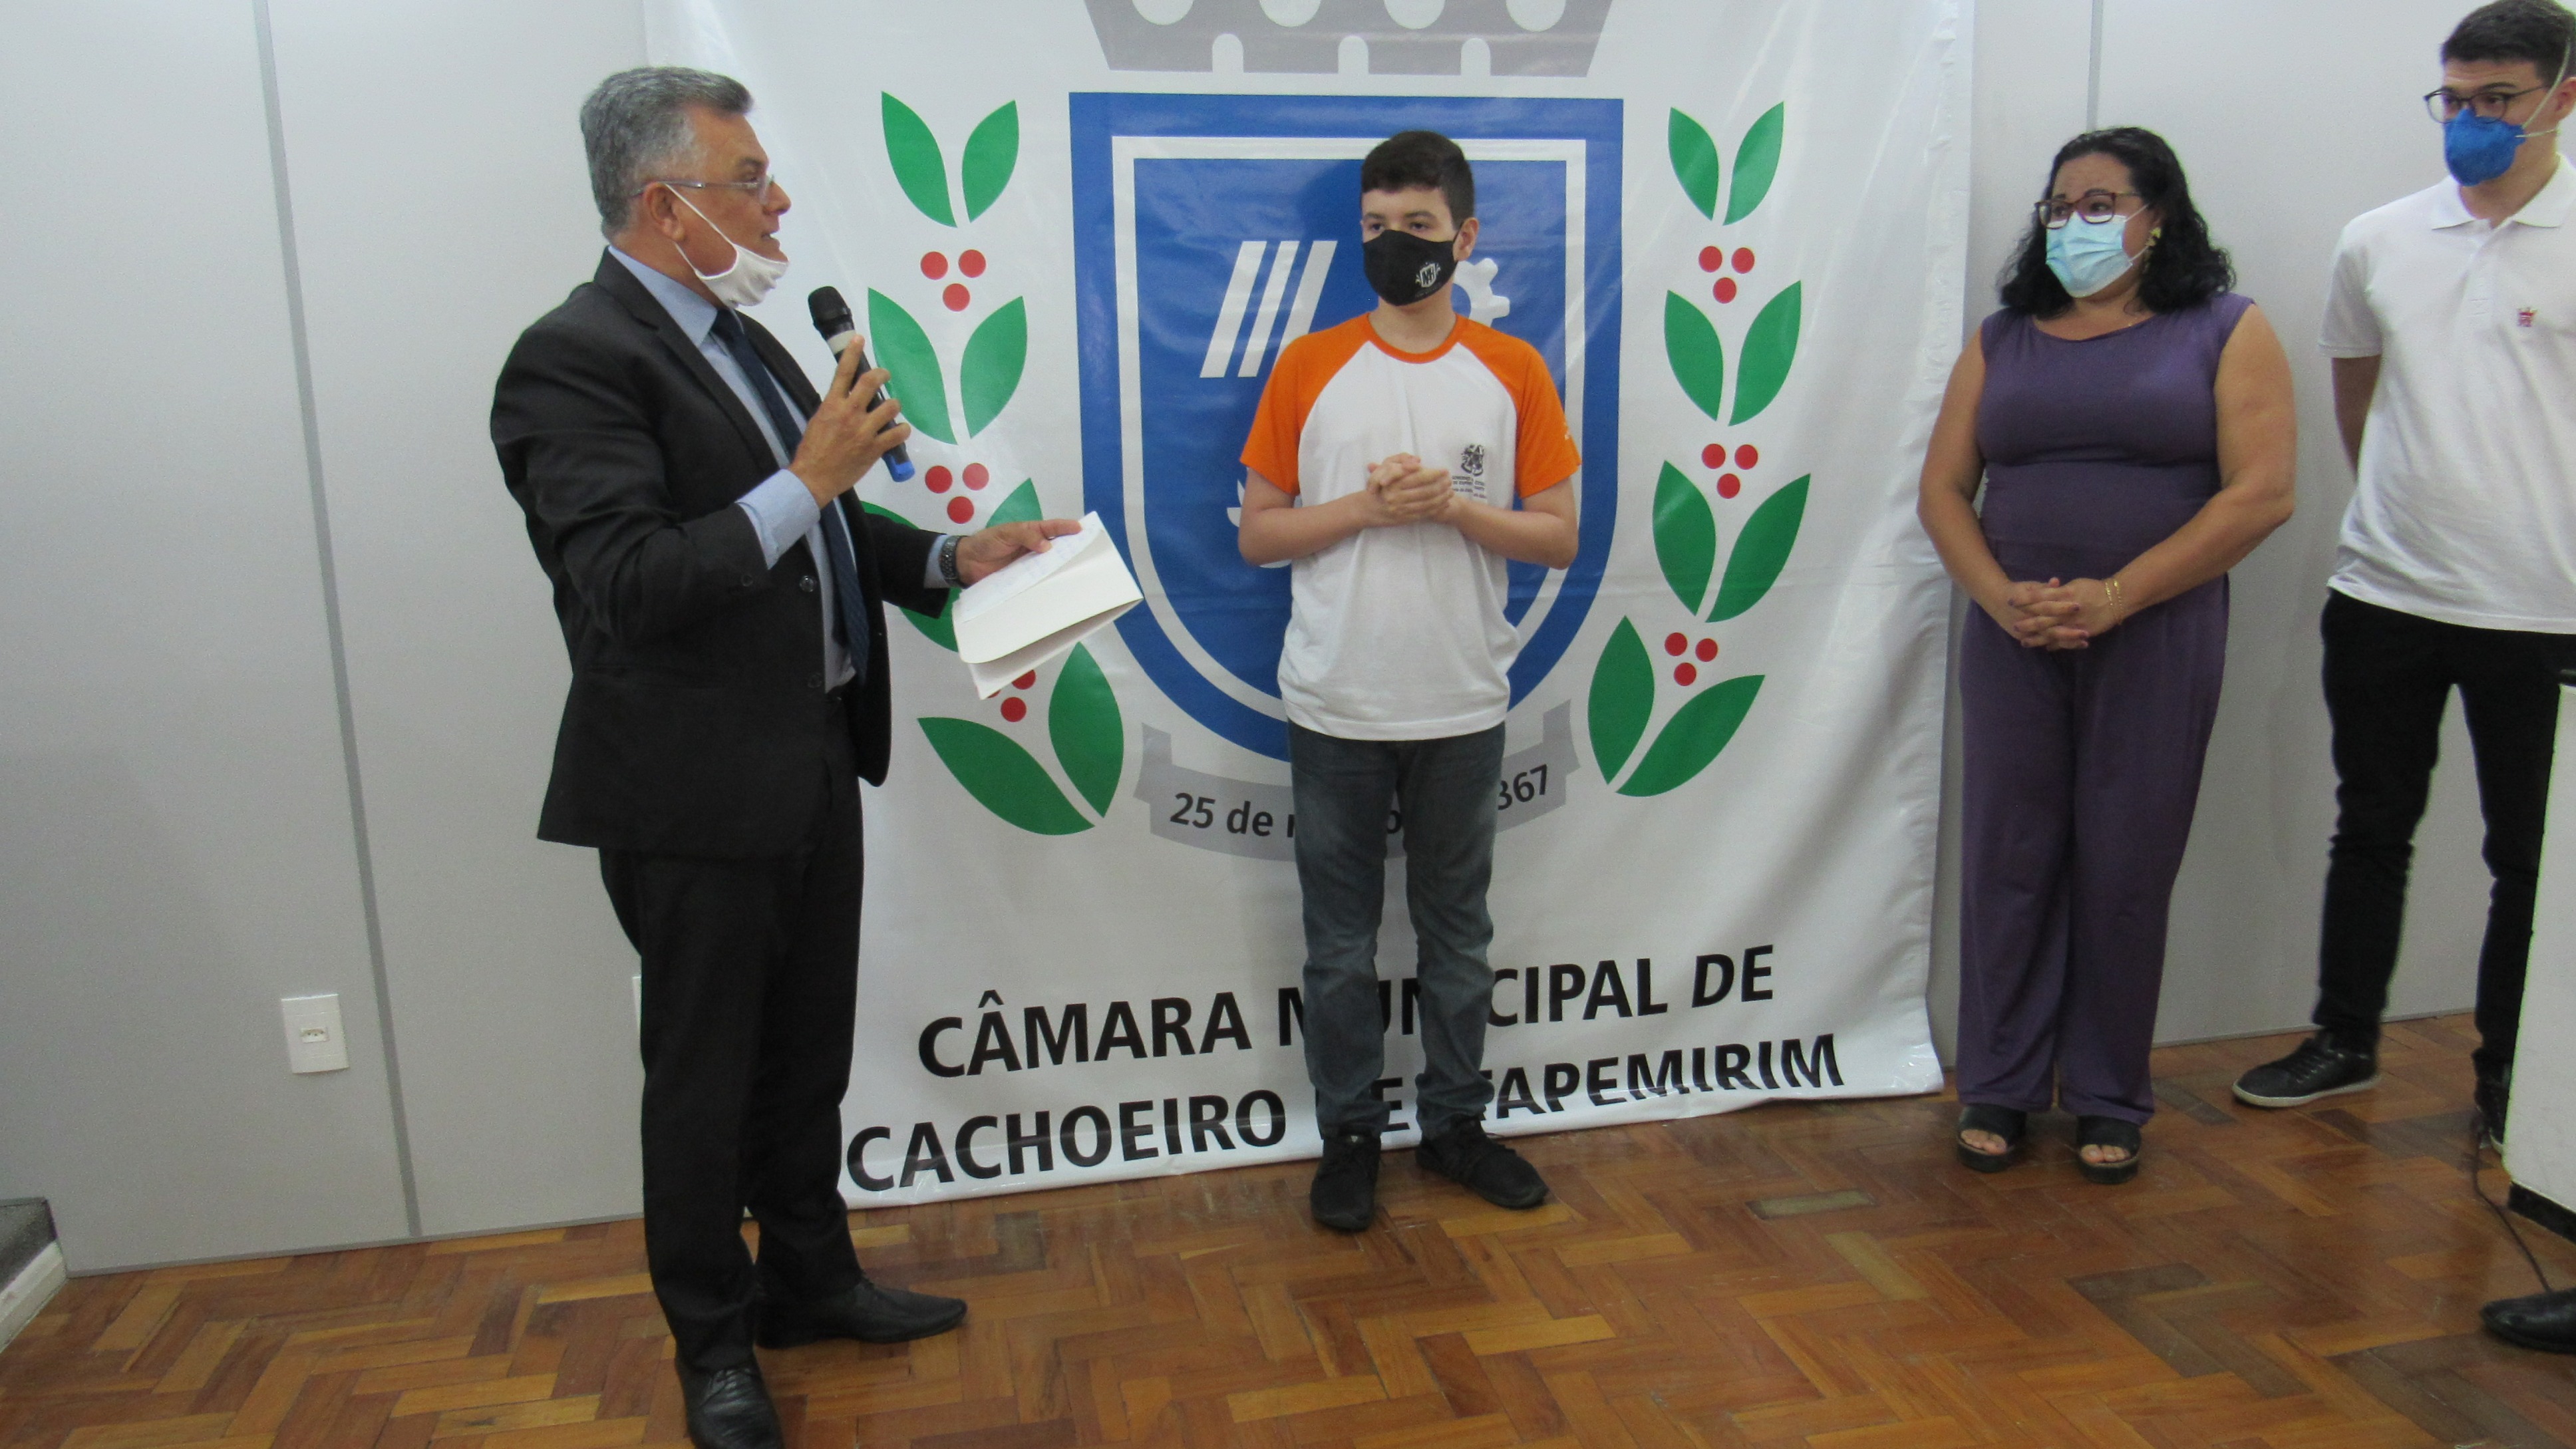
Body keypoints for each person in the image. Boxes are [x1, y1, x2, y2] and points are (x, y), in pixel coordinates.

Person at [492, 68, 1075, 1449]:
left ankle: (812, 1279)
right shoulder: (572, 358)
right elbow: (631, 581)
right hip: (688, 787)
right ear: (664, 204)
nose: (778, 202)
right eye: (749, 181)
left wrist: (951, 555)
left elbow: (825, 530)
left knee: (806, 1051)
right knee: (704, 1080)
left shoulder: (743, 340)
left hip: (812, 750)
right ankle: (715, 1343)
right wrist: (808, 476)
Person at [1917, 128, 2297, 1184]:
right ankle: (1998, 1081)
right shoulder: (2004, 336)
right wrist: (2000, 597)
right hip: (2015, 634)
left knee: (2127, 862)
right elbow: (1943, 489)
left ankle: (2107, 1094)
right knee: (2009, 856)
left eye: (2100, 204)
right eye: (2059, 206)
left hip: (2157, 630)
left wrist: (2120, 594)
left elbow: (2263, 492)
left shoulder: (2226, 328)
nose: (2073, 223)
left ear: (2158, 217)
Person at [2233, 0, 2576, 1145]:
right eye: (2456, 99)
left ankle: (2509, 1076)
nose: (2472, 120)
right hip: (2388, 591)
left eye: (2499, 99)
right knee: (2371, 826)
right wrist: (2404, 504)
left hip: (2547, 605)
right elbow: (2358, 393)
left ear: (2564, 97)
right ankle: (2345, 1038)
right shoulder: (2379, 238)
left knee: (2531, 858)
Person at [1236, 130, 1577, 1231]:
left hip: (1463, 698)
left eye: (1418, 227)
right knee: (1338, 943)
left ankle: (1455, 1125)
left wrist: (1457, 510)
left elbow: (1559, 535)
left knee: (1458, 934)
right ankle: (1348, 1135)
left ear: (1464, 238)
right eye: (1375, 227)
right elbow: (1258, 532)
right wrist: (1367, 509)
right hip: (1335, 698)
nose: (1394, 245)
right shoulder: (1309, 366)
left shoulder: (1513, 370)